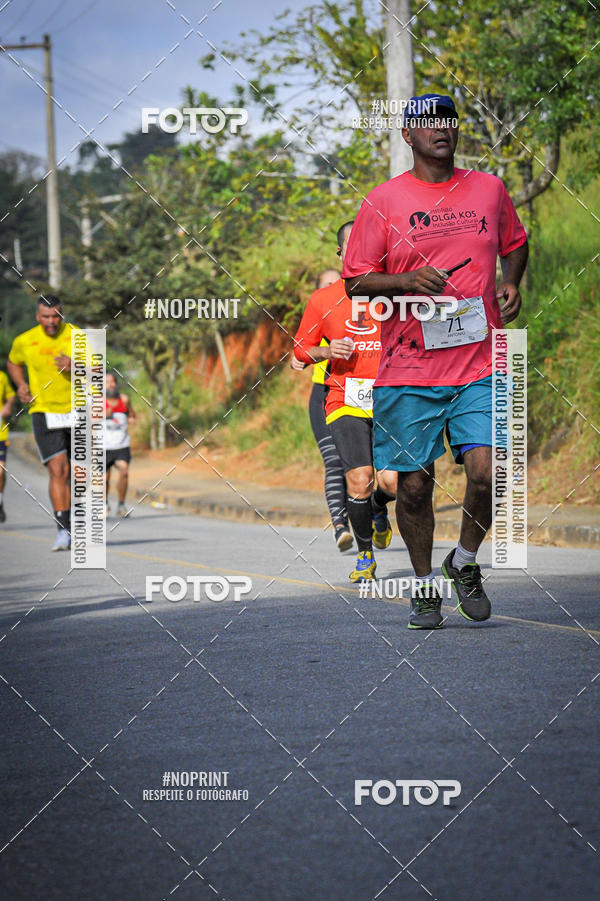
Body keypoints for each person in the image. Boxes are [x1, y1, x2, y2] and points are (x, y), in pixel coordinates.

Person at [343, 93, 528, 627]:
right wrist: (405, 281)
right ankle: (425, 585)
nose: (441, 129)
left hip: (481, 362)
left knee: (490, 471)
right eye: (428, 122)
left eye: (448, 120)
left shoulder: (489, 188)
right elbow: (356, 279)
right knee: (414, 485)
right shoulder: (383, 201)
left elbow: (516, 242)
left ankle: (464, 561)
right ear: (408, 135)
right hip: (409, 369)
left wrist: (511, 282)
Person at [294, 221, 395, 582]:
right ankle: (365, 556)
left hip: (390, 397)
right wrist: (326, 350)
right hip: (344, 399)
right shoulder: (323, 299)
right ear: (340, 254)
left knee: (391, 483)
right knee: (359, 479)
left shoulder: (394, 292)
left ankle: (379, 508)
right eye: (353, 246)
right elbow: (300, 350)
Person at [7, 295, 77, 551]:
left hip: (78, 410)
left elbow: (98, 369)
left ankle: (73, 517)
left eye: (55, 316)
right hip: (44, 411)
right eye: (46, 316)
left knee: (77, 473)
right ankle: (63, 530)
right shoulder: (25, 340)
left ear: (61, 315)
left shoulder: (77, 336)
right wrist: (21, 384)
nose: (51, 321)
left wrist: (75, 365)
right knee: (58, 470)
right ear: (37, 317)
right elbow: (13, 362)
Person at [291, 267, 353, 551]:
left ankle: (374, 512)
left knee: (361, 467)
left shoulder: (358, 313)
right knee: (334, 461)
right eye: (325, 285)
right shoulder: (318, 313)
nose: (331, 290)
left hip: (356, 395)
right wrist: (299, 359)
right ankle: (340, 526)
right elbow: (302, 349)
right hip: (323, 396)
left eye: (335, 284)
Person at [105, 372, 136, 517]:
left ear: (116, 384)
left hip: (122, 445)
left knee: (124, 472)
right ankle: (104, 504)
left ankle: (121, 505)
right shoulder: (97, 401)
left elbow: (132, 414)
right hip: (103, 446)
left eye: (112, 382)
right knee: (104, 479)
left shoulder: (124, 399)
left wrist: (131, 418)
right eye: (106, 382)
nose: (110, 385)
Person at [0, 369, 16, 523]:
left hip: (1, 433)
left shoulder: (2, 377)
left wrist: (8, 405)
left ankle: (0, 500)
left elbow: (11, 395)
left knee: (0, 471)